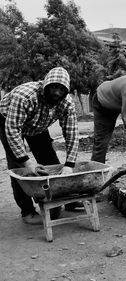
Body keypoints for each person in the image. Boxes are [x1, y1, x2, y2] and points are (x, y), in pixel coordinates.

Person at [0, 67, 79, 225]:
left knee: (51, 161)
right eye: (54, 87)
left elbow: (72, 133)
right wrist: (27, 162)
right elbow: (13, 129)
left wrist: (70, 164)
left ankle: (65, 200)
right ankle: (27, 211)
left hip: (38, 125)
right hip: (8, 121)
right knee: (19, 168)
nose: (57, 93)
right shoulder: (24, 96)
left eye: (61, 89)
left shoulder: (66, 103)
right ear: (45, 85)